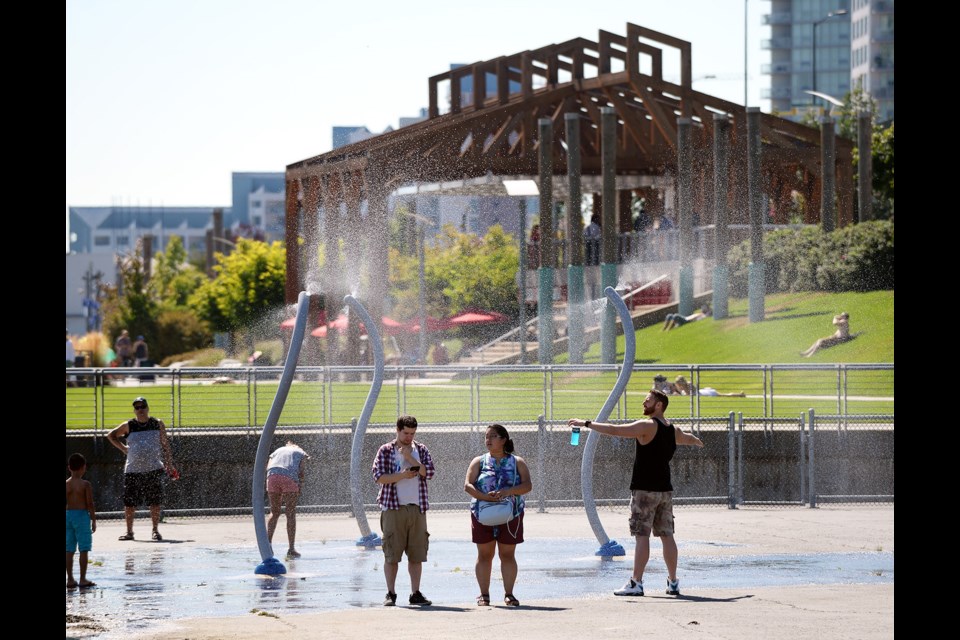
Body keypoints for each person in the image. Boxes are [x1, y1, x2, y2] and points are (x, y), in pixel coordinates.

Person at [568, 389, 704, 597]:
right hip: (665, 491)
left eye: (648, 399)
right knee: (667, 536)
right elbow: (686, 438)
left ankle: (636, 582)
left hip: (644, 491)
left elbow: (615, 430)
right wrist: (696, 440)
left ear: (659, 405)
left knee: (642, 536)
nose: (644, 402)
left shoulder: (647, 426)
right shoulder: (672, 430)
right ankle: (673, 582)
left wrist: (586, 424)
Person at [463, 424, 533, 607]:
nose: (488, 440)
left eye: (493, 436)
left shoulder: (517, 461)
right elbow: (468, 485)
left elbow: (527, 486)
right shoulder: (478, 461)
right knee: (484, 555)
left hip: (511, 514)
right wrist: (485, 497)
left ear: (503, 439)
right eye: (486, 436)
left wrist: (508, 491)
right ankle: (484, 595)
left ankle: (509, 594)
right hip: (482, 513)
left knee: (507, 555)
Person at [372, 415, 435, 607]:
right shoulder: (385, 450)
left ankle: (415, 592)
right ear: (397, 430)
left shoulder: (421, 449)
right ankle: (391, 593)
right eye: (405, 433)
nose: (409, 437)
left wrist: (409, 457)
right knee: (392, 553)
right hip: (393, 508)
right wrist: (402, 476)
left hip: (417, 508)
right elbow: (379, 477)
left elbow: (429, 473)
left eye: (412, 433)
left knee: (417, 554)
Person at [107, 397, 178, 542]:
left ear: (147, 408)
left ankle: (155, 530)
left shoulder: (157, 424)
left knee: (155, 501)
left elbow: (165, 445)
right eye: (137, 408)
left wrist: (169, 464)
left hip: (153, 468)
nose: (140, 410)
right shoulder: (129, 425)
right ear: (134, 410)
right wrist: (123, 449)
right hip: (133, 470)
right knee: (129, 504)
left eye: (142, 407)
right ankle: (129, 532)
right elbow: (111, 435)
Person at [265, 441, 310, 558]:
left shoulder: (277, 451)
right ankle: (291, 548)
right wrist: (299, 486)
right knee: (290, 513)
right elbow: (301, 472)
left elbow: (268, 467)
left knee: (274, 512)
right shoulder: (300, 452)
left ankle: (267, 545)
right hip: (289, 477)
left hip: (272, 476)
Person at [66, 453, 97, 589]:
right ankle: (83, 578)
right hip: (82, 517)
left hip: (68, 516)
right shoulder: (85, 484)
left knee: (69, 549)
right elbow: (90, 504)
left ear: (69, 468)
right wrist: (94, 520)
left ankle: (70, 579)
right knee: (84, 548)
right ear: (83, 467)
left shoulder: (66, 484)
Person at [673, 375, 745, 398]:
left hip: (704, 393)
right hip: (702, 392)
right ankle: (740, 394)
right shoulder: (685, 386)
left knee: (724, 395)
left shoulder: (688, 385)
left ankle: (740, 395)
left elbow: (690, 396)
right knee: (723, 395)